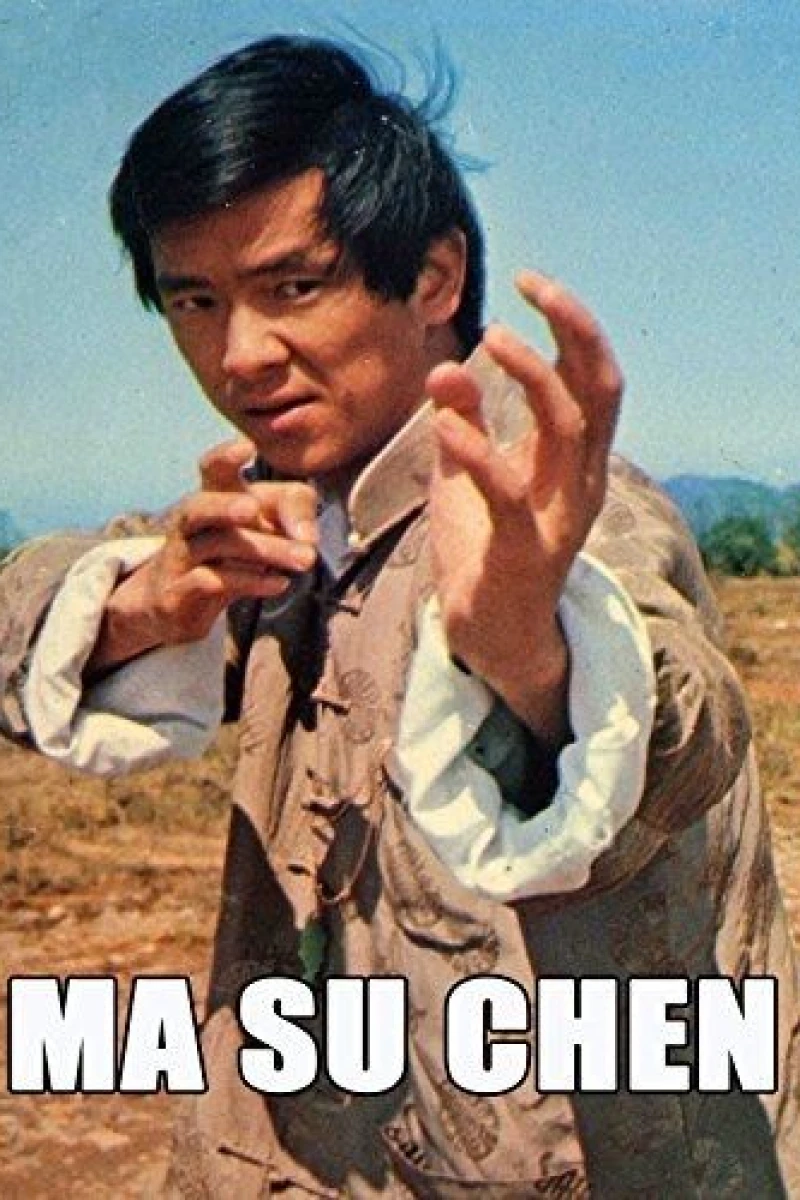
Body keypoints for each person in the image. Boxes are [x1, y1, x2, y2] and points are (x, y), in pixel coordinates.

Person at [1, 35, 798, 1198]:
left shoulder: (548, 514)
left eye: (293, 288)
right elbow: (34, 606)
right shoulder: (269, 515)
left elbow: (674, 718)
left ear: (431, 278)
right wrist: (138, 604)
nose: (240, 355)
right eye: (194, 301)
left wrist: (529, 653)